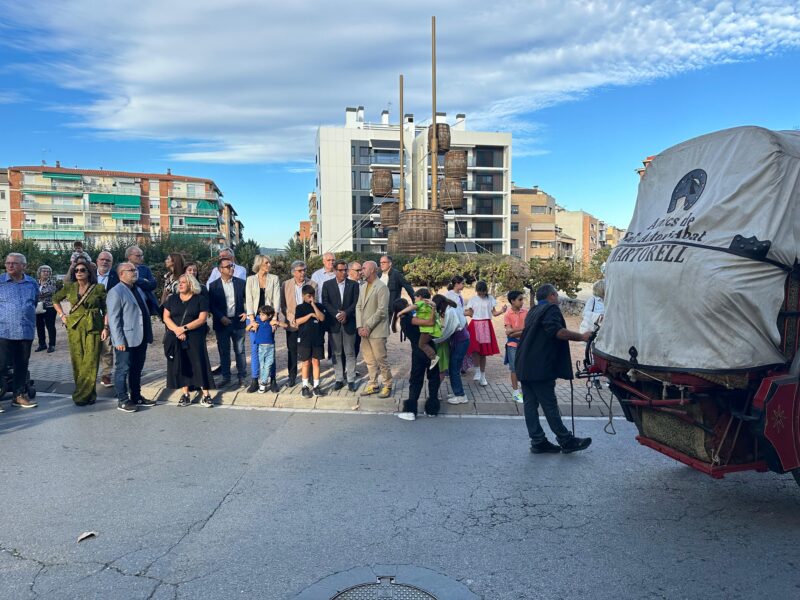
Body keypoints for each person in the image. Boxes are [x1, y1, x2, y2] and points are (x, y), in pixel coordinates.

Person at [515, 284, 593, 454]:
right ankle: (566, 439)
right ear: (551, 296)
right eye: (556, 295)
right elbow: (557, 332)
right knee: (549, 404)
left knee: (530, 404)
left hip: (524, 364)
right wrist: (582, 336)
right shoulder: (551, 309)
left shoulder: (533, 311)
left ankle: (538, 441)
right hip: (539, 367)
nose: (557, 299)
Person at [52, 258, 109, 406]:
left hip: (93, 326)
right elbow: (55, 299)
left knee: (91, 361)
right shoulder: (69, 287)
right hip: (75, 326)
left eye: (82, 270)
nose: (78, 272)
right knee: (77, 360)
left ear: (89, 272)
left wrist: (106, 328)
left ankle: (80, 396)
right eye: (76, 270)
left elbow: (106, 309)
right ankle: (89, 394)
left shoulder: (99, 288)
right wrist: (62, 315)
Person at [106, 262, 155, 413]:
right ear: (121, 274)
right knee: (123, 369)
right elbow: (114, 318)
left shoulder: (138, 289)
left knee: (136, 369)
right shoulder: (116, 292)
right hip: (125, 339)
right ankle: (123, 400)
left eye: (135, 269)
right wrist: (118, 340)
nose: (135, 272)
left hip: (140, 336)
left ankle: (136, 396)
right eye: (131, 270)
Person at [163, 273, 215, 407]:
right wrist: (177, 330)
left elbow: (202, 319)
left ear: (191, 284)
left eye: (183, 282)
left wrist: (184, 328)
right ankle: (185, 394)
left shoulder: (200, 299)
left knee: (199, 363)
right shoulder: (172, 299)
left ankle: (206, 394)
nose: (180, 284)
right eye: (179, 282)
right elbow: (166, 317)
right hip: (177, 336)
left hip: (195, 336)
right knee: (181, 364)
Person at [0, 253, 39, 409]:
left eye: (14, 263)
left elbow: (34, 302)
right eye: (8, 263)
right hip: (4, 331)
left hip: (25, 331)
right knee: (1, 366)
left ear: (24, 266)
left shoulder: (32, 283)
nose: (10, 266)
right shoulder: (1, 282)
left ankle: (18, 396)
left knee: (21, 365)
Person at [392, 298, 440, 420]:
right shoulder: (409, 319)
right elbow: (430, 322)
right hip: (431, 351)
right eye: (407, 304)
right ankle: (432, 409)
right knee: (433, 378)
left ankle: (411, 410)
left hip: (418, 353)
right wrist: (433, 308)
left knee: (416, 380)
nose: (411, 305)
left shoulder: (403, 320)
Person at [208, 257, 248, 387]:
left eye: (232, 266)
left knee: (240, 350)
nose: (231, 268)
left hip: (238, 322)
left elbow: (249, 299)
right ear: (220, 270)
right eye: (228, 267)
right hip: (222, 323)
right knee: (224, 351)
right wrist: (220, 317)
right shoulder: (214, 286)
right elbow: (211, 305)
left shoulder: (241, 283)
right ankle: (226, 377)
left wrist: (247, 312)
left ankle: (242, 376)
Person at [245, 255, 281, 392]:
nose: (269, 265)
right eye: (267, 262)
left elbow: (277, 299)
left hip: (270, 317)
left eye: (270, 262)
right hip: (255, 317)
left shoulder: (274, 279)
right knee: (255, 349)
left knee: (269, 348)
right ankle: (255, 380)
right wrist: (252, 320)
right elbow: (249, 300)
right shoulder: (250, 280)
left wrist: (275, 318)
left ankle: (273, 380)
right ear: (259, 264)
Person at [356, 260, 392, 398]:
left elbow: (382, 311)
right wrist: (360, 326)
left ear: (372, 270)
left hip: (377, 330)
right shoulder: (363, 286)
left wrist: (367, 326)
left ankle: (387, 385)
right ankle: (373, 384)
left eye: (364, 268)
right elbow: (358, 307)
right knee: (369, 360)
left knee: (381, 359)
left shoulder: (382, 287)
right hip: (364, 331)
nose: (361, 271)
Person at [322, 259, 359, 391]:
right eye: (340, 270)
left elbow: (356, 302)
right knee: (336, 352)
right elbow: (325, 302)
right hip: (334, 323)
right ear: (335, 271)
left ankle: (351, 379)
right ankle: (339, 379)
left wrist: (346, 313)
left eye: (345, 270)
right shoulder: (327, 285)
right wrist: (337, 314)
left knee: (350, 352)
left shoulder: (354, 285)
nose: (343, 272)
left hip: (349, 323)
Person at [280, 260, 316, 387]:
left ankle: (310, 377)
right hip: (292, 324)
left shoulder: (313, 284)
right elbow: (283, 305)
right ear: (293, 272)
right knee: (292, 351)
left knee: (309, 351)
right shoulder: (285, 284)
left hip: (308, 325)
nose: (303, 273)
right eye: (300, 271)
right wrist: (291, 318)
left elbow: (314, 304)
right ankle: (292, 377)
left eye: (305, 270)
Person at [465, 280, 507, 386]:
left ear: (486, 290)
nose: (481, 294)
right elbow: (469, 313)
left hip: (485, 325)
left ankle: (483, 376)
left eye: (483, 291)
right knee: (475, 350)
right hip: (475, 324)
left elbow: (494, 313)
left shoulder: (490, 299)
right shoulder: (473, 299)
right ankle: (477, 370)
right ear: (476, 291)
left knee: (483, 352)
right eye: (479, 292)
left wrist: (502, 311)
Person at [433, 292, 470, 404]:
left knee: (454, 368)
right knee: (453, 367)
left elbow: (446, 332)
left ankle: (460, 395)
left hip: (461, 341)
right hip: (461, 340)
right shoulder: (450, 309)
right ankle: (456, 391)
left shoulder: (450, 312)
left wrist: (433, 340)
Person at [107, 245, 160, 316]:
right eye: (138, 256)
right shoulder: (119, 268)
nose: (141, 258)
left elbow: (152, 285)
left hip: (146, 305)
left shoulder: (145, 269)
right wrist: (142, 280)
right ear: (129, 257)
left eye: (141, 256)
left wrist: (133, 280)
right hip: (127, 305)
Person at [294, 284, 327, 398]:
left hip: (317, 339)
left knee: (316, 362)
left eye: (313, 295)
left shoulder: (319, 305)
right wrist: (310, 315)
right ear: (303, 296)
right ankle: (305, 386)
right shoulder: (299, 308)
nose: (311, 297)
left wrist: (313, 305)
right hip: (304, 340)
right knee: (306, 362)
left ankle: (316, 386)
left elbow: (322, 318)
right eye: (309, 296)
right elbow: (297, 321)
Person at [504, 290, 528, 403]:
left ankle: (525, 390)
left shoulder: (526, 312)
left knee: (524, 367)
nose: (522, 302)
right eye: (520, 299)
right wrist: (522, 330)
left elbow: (528, 328)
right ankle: (515, 392)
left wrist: (514, 331)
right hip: (512, 345)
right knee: (514, 369)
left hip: (524, 344)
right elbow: (508, 332)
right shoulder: (508, 314)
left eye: (522, 299)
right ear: (512, 301)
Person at [252, 305, 283, 393]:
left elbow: (285, 325)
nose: (260, 316)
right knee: (262, 366)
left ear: (269, 316)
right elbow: (247, 329)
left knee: (268, 365)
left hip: (270, 348)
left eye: (263, 315)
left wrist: (277, 322)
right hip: (261, 348)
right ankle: (263, 383)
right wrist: (252, 324)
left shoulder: (271, 323)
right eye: (260, 314)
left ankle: (263, 383)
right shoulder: (258, 321)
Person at [95, 251, 115, 387]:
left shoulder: (116, 277)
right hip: (92, 317)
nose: (104, 262)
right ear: (97, 261)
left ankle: (106, 374)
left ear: (111, 263)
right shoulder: (88, 275)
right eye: (102, 259)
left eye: (108, 260)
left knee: (107, 347)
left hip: (110, 315)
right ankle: (90, 373)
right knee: (91, 347)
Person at [379, 255, 415, 320]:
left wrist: (415, 302)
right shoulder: (378, 275)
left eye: (384, 262)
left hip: (391, 309)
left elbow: (408, 287)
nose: (381, 264)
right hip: (379, 309)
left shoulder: (396, 274)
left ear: (390, 263)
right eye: (380, 263)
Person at [35, 264, 59, 353]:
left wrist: (36, 294)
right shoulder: (35, 282)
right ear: (39, 272)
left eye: (48, 271)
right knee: (39, 326)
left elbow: (49, 291)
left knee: (50, 326)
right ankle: (42, 344)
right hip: (38, 307)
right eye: (44, 271)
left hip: (50, 307)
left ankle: (52, 345)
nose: (46, 273)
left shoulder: (52, 282)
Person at [347, 261, 364, 372]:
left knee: (356, 345)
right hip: (348, 320)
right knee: (347, 347)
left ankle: (351, 368)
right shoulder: (345, 284)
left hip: (360, 321)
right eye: (358, 270)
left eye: (361, 269)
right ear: (350, 271)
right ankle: (346, 369)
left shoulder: (363, 284)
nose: (360, 272)